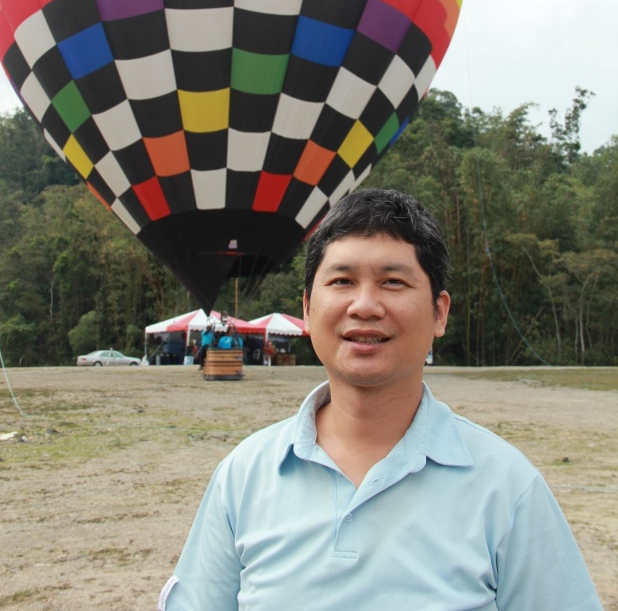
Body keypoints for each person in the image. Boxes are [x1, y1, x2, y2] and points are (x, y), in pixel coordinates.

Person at [158, 188, 602, 610]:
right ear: (307, 310)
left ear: (439, 312)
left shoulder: (506, 488)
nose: (365, 306)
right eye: (342, 280)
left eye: (393, 281)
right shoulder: (244, 476)